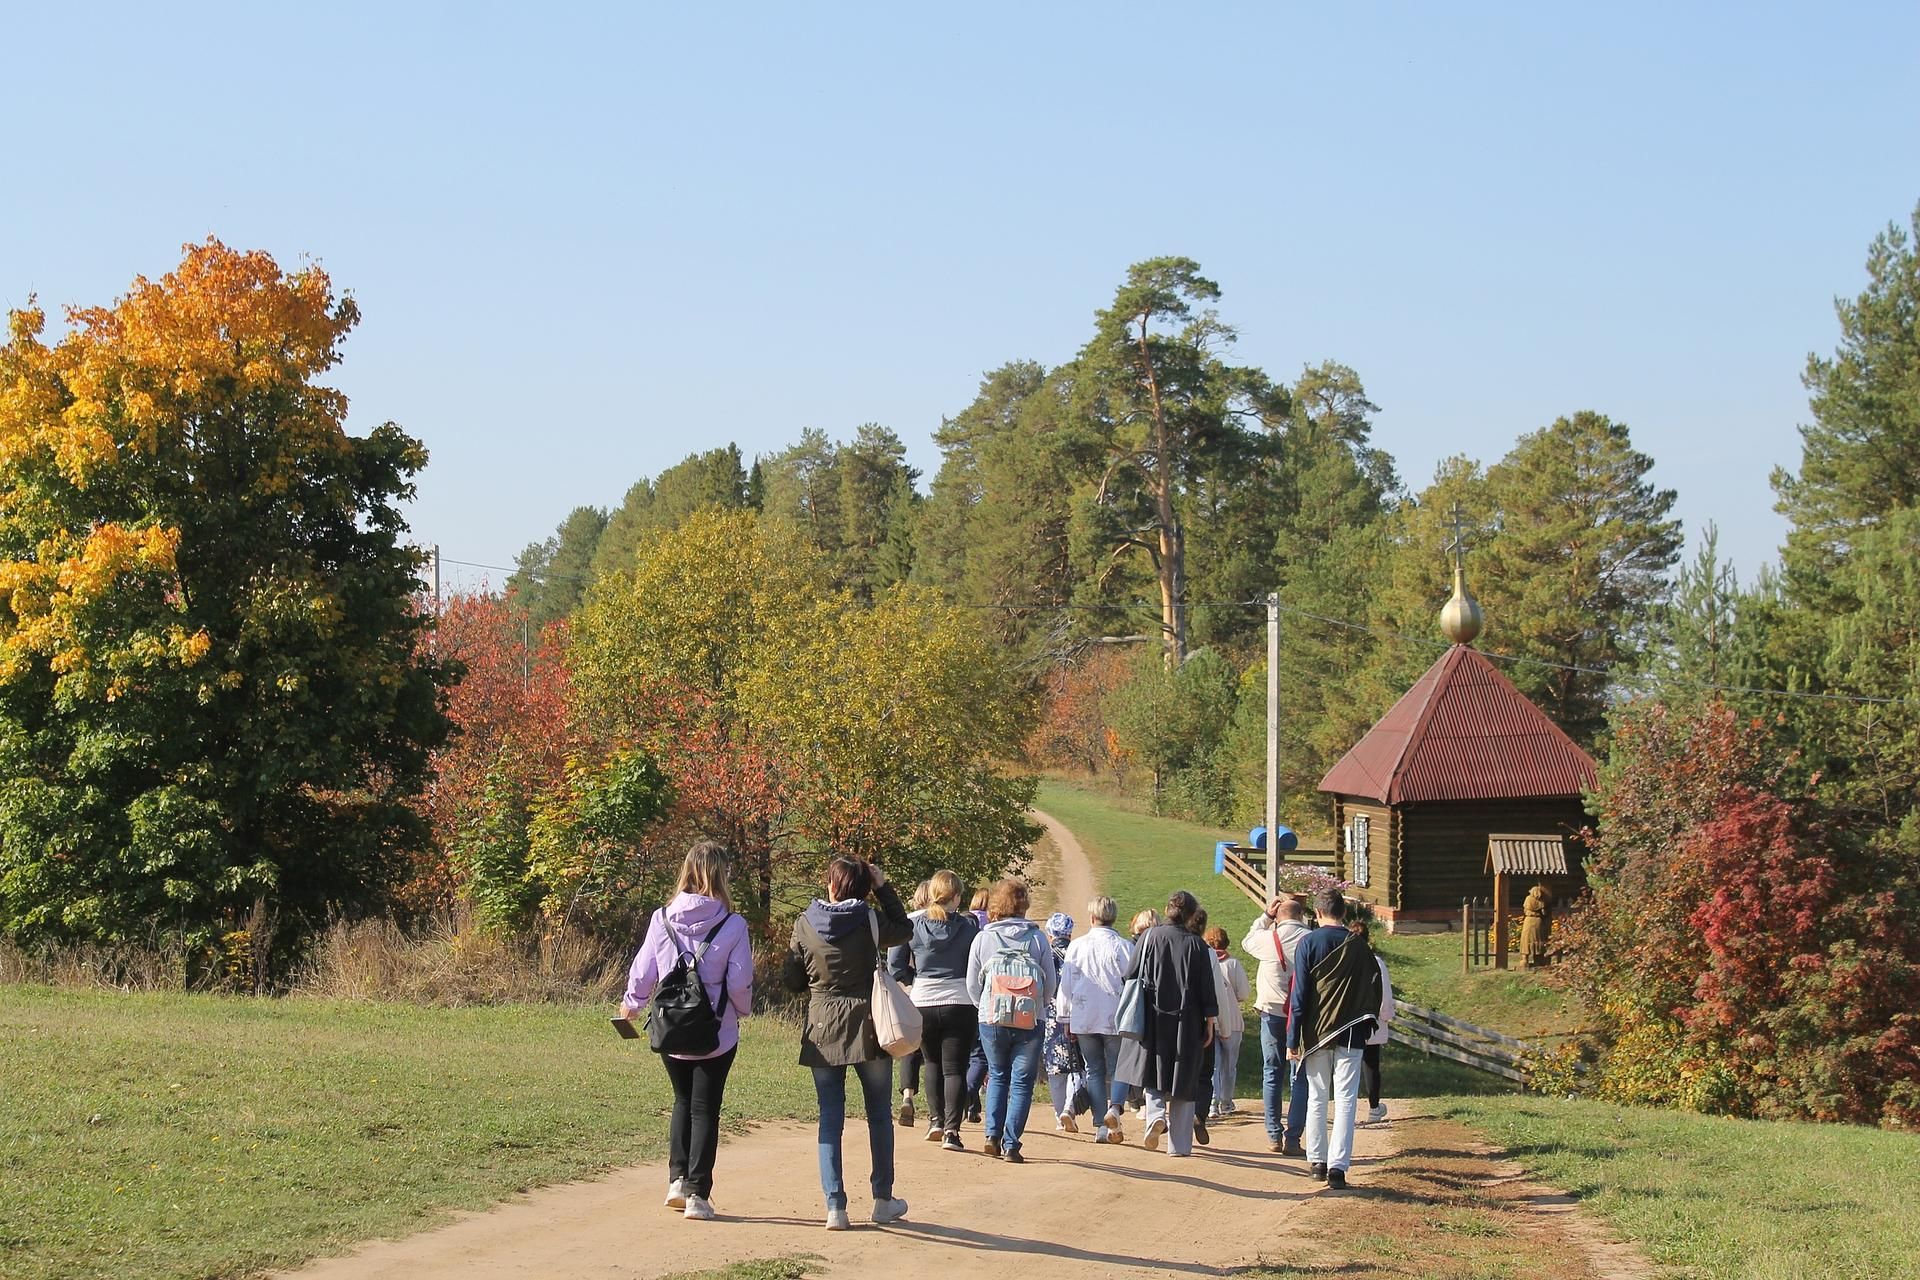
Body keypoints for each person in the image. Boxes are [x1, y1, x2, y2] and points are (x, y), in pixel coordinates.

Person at [620, 841, 755, 1222]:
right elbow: (740, 980)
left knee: (682, 1101)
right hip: (715, 1030)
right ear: (721, 874)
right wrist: (740, 1010)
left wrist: (632, 1003)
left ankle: (676, 1180)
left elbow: (644, 968)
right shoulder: (733, 924)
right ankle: (698, 1193)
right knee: (705, 1108)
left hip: (671, 1028)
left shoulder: (661, 917)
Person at [782, 856, 914, 1230]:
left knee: (830, 1118)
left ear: (831, 884)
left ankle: (835, 1207)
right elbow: (905, 928)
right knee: (878, 1114)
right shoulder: (870, 919)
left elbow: (792, 979)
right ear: (862, 886)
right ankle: (882, 1199)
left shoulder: (805, 924)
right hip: (869, 1027)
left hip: (823, 1028)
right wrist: (884, 887)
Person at [1286, 889, 1381, 1191]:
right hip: (1352, 1032)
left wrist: (1292, 1037)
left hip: (1316, 1034)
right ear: (1344, 914)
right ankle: (1338, 1168)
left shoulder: (1308, 943)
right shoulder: (1359, 947)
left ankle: (1317, 1162)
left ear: (1317, 912)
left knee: (1317, 1096)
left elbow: (1299, 996)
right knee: (1346, 1100)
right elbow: (1373, 990)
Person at [1114, 891, 1218, 1157]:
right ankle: (1180, 1146)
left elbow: (1130, 975)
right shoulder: (1198, 945)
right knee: (1184, 1078)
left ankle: (1156, 1116)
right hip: (1188, 1019)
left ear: (1168, 909)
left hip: (1152, 1016)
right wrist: (1210, 1021)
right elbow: (1207, 988)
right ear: (1191, 914)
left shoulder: (1149, 937)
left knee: (1153, 1069)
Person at [965, 878, 1058, 1163]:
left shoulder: (983, 937)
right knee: (1021, 1083)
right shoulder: (1038, 938)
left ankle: (991, 1135)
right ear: (1023, 905)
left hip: (992, 1019)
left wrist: (984, 1008)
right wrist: (1037, 1008)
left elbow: (972, 984)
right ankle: (1011, 1143)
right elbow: (1051, 983)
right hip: (1030, 1021)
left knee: (997, 1075)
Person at [892, 870, 979, 1151]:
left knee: (931, 1064)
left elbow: (895, 965)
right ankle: (952, 1132)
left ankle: (935, 1122)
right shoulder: (968, 928)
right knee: (954, 1069)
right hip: (959, 1002)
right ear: (955, 897)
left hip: (923, 1001)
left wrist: (911, 982)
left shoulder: (914, 924)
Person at [1062, 895, 1133, 1143]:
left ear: (1092, 917)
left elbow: (1066, 984)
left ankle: (1100, 1125)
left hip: (1083, 1015)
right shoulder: (1124, 946)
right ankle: (1115, 1109)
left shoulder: (1077, 946)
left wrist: (1065, 1016)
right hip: (1115, 1015)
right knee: (1118, 1068)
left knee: (1093, 1069)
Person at [1244, 897, 1312, 1154]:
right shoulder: (1310, 939)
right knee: (1300, 1076)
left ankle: (1274, 1134)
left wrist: (1265, 917)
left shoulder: (1268, 939)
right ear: (1302, 914)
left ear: (1278, 916)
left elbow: (1247, 940)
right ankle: (1294, 1138)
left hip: (1272, 1010)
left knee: (1272, 1072)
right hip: (1303, 1014)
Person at [891, 880, 932, 1130]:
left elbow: (895, 965)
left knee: (910, 1048)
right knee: (935, 1053)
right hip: (940, 992)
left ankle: (907, 1096)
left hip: (911, 992)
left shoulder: (908, 923)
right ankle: (940, 1111)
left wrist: (910, 980)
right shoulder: (947, 922)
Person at [1349, 908, 1395, 1124]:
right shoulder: (1376, 961)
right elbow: (1385, 991)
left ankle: (1345, 1108)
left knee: (1347, 1064)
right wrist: (1385, 1016)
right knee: (1371, 1064)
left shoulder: (1345, 961)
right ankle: (1374, 1108)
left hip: (1349, 1020)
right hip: (1373, 1020)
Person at [1040, 912, 1082, 1134]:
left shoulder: (1047, 954)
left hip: (1051, 1016)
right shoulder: (1077, 953)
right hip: (1077, 1014)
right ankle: (1070, 1107)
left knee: (1055, 1070)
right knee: (1077, 1065)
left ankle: (1059, 1115)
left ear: (1050, 933)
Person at [1204, 925, 1251, 1121]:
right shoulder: (1232, 964)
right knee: (1229, 1066)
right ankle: (1226, 1102)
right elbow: (1244, 994)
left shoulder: (1205, 962)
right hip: (1232, 1021)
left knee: (1212, 1065)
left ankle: (1212, 1103)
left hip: (1210, 1021)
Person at [962, 886, 993, 1121]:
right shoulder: (990, 928)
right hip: (987, 996)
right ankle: (968, 1096)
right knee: (981, 1056)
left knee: (969, 1053)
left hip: (963, 990)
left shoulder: (964, 922)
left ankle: (972, 1105)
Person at [1521, 884, 1553, 968]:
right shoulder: (1541, 901)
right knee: (1537, 939)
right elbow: (1544, 913)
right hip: (1538, 921)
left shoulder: (1528, 899)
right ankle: (1537, 959)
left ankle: (1525, 959)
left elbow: (1525, 910)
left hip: (1529, 920)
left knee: (1526, 939)